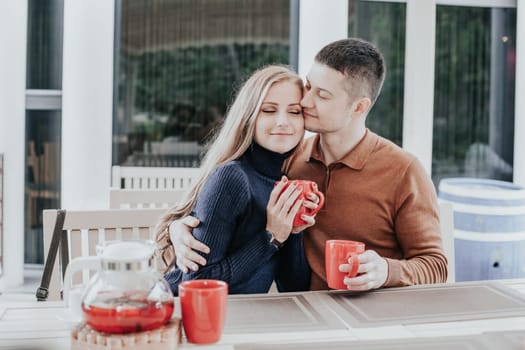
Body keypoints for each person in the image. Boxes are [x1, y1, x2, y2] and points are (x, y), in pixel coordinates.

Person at [170, 38, 448, 291]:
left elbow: (436, 265)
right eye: (309, 86)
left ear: (358, 108)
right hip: (301, 309)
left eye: (322, 95)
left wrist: (387, 270)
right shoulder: (289, 159)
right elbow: (217, 207)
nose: (304, 101)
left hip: (374, 317)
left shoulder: (403, 171)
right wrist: (177, 230)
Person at [155, 65, 315, 295]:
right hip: (179, 315)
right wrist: (270, 237)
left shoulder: (284, 180)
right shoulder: (231, 178)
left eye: (294, 111)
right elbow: (197, 283)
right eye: (269, 110)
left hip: (239, 319)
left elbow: (293, 286)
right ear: (249, 117)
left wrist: (292, 232)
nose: (283, 121)